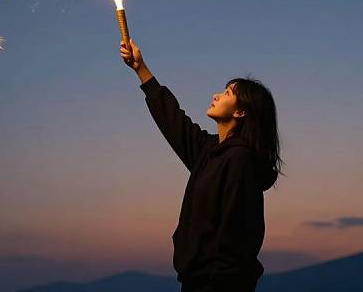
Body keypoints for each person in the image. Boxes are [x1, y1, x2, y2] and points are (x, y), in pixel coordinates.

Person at [120, 39, 285, 292]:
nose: (216, 95)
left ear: (240, 112)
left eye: (227, 93)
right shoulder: (209, 151)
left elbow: (238, 238)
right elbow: (173, 121)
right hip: (193, 282)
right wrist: (141, 69)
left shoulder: (240, 162)